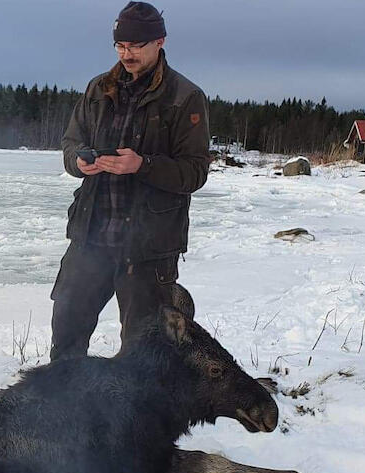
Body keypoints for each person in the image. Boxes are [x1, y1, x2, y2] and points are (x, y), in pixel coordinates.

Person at [50, 2, 210, 360]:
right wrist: (78, 161)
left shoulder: (185, 97)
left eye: (136, 46)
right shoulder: (98, 89)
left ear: (160, 42)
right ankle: (61, 409)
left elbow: (195, 171)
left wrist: (143, 165)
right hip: (91, 235)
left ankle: (140, 416)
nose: (127, 54)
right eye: (121, 46)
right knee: (66, 331)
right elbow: (69, 144)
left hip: (148, 247)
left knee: (144, 349)